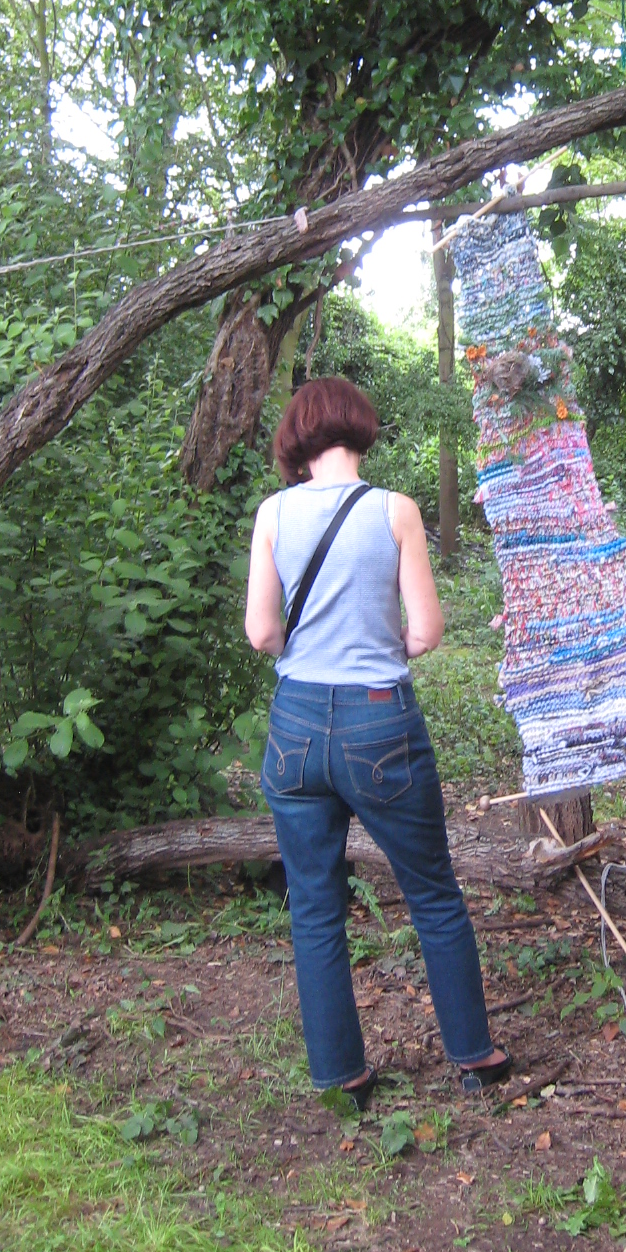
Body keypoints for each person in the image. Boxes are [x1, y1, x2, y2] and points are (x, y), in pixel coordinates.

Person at [244, 375, 509, 1108]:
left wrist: (309, 653)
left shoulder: (272, 513)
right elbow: (426, 632)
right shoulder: (395, 510)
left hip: (295, 723)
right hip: (378, 721)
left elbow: (261, 632)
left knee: (314, 906)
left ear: (298, 436)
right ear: (361, 427)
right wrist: (377, 646)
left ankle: (343, 1078)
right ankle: (475, 1056)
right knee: (432, 893)